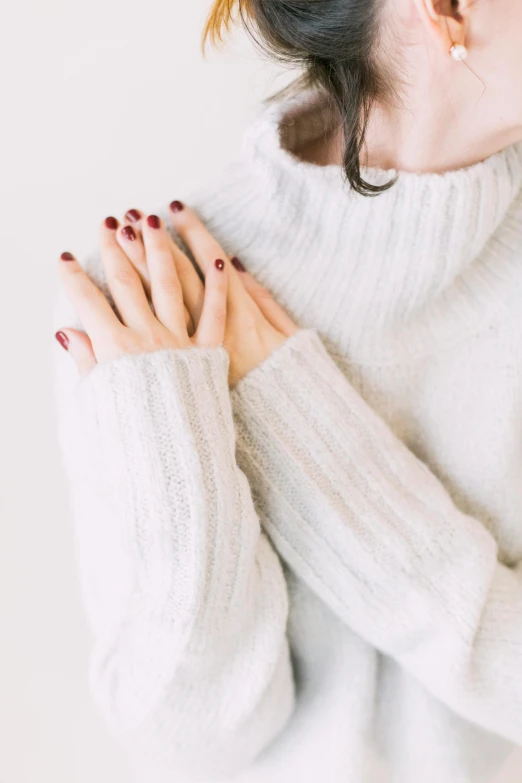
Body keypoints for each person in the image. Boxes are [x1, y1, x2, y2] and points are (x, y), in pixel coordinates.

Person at [52, 0, 522, 781]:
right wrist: (182, 451)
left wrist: (308, 442)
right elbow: (190, 742)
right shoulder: (148, 303)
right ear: (446, 10)